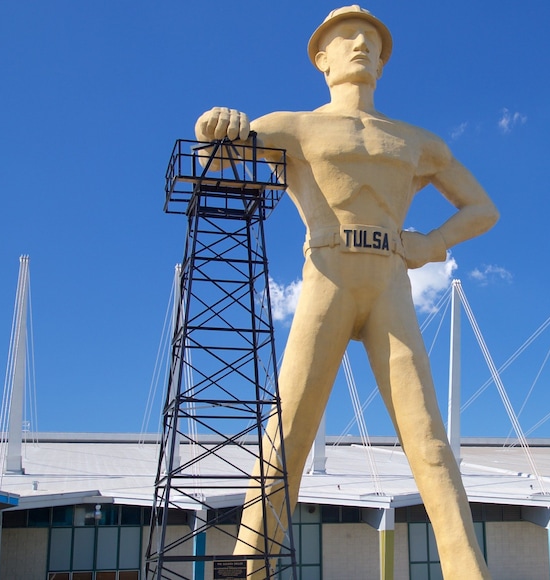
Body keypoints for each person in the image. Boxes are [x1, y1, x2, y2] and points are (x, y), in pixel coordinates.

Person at [194, 6, 497, 578]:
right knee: (288, 435)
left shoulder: (416, 141)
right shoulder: (296, 127)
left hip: (388, 281)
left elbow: (482, 208)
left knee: (428, 438)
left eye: (370, 40)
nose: (359, 45)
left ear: (383, 60)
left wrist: (430, 243)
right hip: (328, 277)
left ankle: (468, 571)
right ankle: (248, 567)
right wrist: (215, 125)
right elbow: (218, 154)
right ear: (321, 59)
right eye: (345, 37)